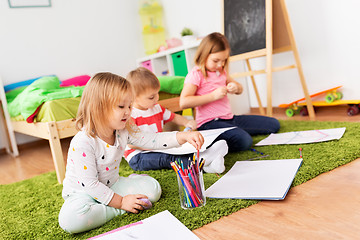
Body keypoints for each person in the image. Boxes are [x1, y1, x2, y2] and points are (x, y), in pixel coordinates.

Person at [58, 72, 204, 234]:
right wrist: (121, 203)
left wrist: (183, 136)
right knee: (71, 221)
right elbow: (91, 185)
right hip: (83, 194)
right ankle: (119, 208)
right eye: (122, 107)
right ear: (98, 107)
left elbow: (151, 140)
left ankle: (122, 198)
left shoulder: (122, 130)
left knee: (153, 190)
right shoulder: (83, 142)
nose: (128, 112)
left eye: (129, 106)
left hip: (112, 184)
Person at [180, 32, 280, 153]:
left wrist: (236, 87)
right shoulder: (196, 74)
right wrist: (213, 96)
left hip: (230, 119)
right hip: (209, 124)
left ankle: (233, 132)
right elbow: (184, 102)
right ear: (203, 55)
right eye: (216, 60)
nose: (220, 64)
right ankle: (218, 141)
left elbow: (240, 89)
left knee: (273, 124)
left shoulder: (221, 71)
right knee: (244, 141)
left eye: (224, 60)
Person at [124, 67, 228, 174]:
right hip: (138, 156)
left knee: (177, 151)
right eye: (151, 97)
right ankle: (201, 161)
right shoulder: (130, 115)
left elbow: (174, 117)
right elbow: (132, 143)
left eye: (157, 93)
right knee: (168, 158)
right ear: (134, 98)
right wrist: (155, 147)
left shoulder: (157, 108)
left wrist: (187, 122)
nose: (157, 98)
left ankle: (208, 166)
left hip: (159, 148)